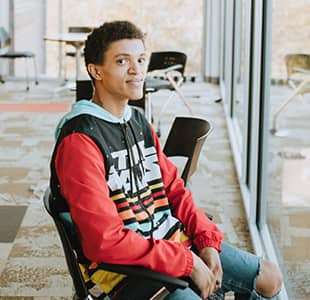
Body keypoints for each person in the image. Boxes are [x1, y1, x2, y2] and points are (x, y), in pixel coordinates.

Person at [50, 20, 282, 300]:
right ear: (96, 70)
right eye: (122, 61)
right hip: (130, 269)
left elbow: (174, 189)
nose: (137, 70)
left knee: (270, 278)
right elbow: (105, 242)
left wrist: (205, 238)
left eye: (141, 59)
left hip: (170, 240)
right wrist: (187, 260)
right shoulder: (80, 141)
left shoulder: (137, 121)